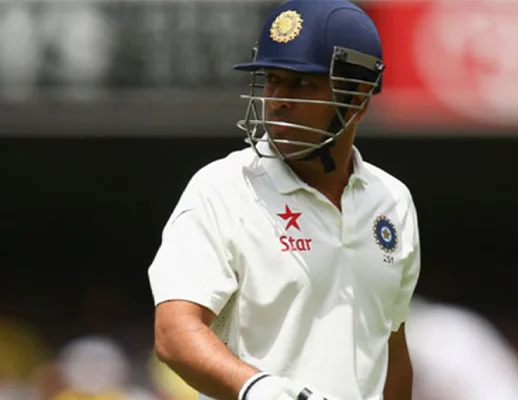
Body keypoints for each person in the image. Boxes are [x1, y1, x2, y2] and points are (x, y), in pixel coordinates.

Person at [147, 1, 421, 400]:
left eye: (302, 83)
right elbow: (174, 333)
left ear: (358, 98)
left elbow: (391, 348)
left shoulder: (393, 201)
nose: (277, 99)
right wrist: (264, 391)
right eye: (272, 80)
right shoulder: (223, 187)